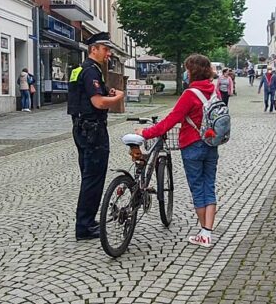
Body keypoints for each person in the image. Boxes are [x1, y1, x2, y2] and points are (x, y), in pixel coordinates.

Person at [135, 54, 220, 247]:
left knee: (197, 188)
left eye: (187, 70)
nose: (185, 73)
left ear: (192, 72)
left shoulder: (190, 94)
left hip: (192, 145)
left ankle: (204, 234)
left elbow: (170, 121)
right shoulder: (214, 92)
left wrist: (146, 133)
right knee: (209, 186)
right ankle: (208, 231)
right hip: (211, 144)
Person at [68, 32, 125, 241]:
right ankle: (84, 226)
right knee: (94, 178)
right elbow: (98, 103)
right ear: (94, 49)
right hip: (93, 130)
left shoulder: (79, 70)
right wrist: (118, 97)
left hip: (80, 128)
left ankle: (87, 221)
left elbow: (83, 96)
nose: (108, 53)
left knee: (88, 176)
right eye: (105, 49)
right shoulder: (91, 71)